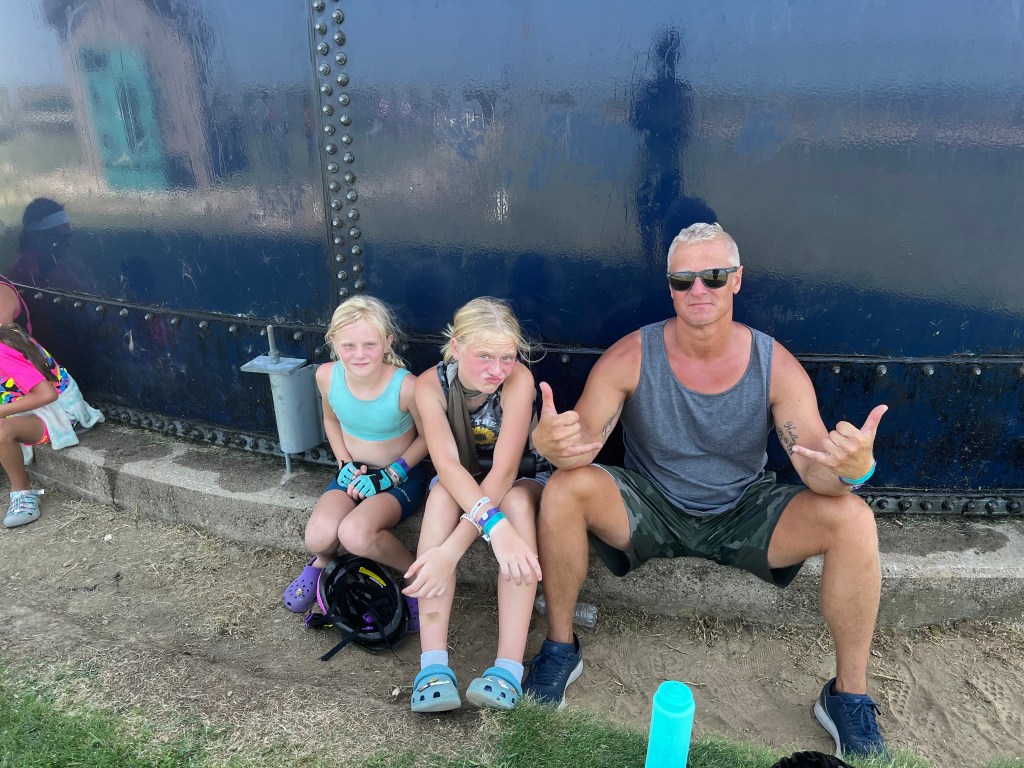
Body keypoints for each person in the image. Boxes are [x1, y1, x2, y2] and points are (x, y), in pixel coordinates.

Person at [524, 223, 889, 760]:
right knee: (563, 488)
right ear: (669, 286)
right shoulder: (631, 356)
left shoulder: (774, 365)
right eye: (684, 279)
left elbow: (815, 469)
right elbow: (582, 448)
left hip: (743, 510)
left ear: (737, 280)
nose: (699, 289)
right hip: (651, 505)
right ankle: (560, 647)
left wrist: (854, 471)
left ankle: (847, 697)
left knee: (853, 516)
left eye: (714, 276)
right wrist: (549, 444)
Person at [405, 297, 545, 713]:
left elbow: (505, 472)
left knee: (516, 505)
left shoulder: (519, 381)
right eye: (484, 355)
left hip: (519, 479)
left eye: (506, 357)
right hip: (463, 480)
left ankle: (508, 669)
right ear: (456, 347)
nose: (496, 369)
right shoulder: (430, 385)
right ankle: (432, 666)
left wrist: (456, 548)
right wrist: (490, 527)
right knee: (440, 495)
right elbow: (448, 466)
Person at [282, 296, 430, 624]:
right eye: (348, 345)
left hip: (400, 478)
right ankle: (322, 563)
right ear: (333, 342)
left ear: (387, 342)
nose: (359, 354)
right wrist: (343, 463)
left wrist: (390, 475)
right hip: (352, 473)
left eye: (369, 344)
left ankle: (414, 576)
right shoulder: (326, 376)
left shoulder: (406, 386)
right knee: (318, 537)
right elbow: (331, 420)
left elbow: (428, 438)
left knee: (354, 534)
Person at [0, 323, 104, 528]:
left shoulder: (2, 351)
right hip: (25, 408)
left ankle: (22, 493)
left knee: (2, 430)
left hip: (58, 413)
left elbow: (47, 395)